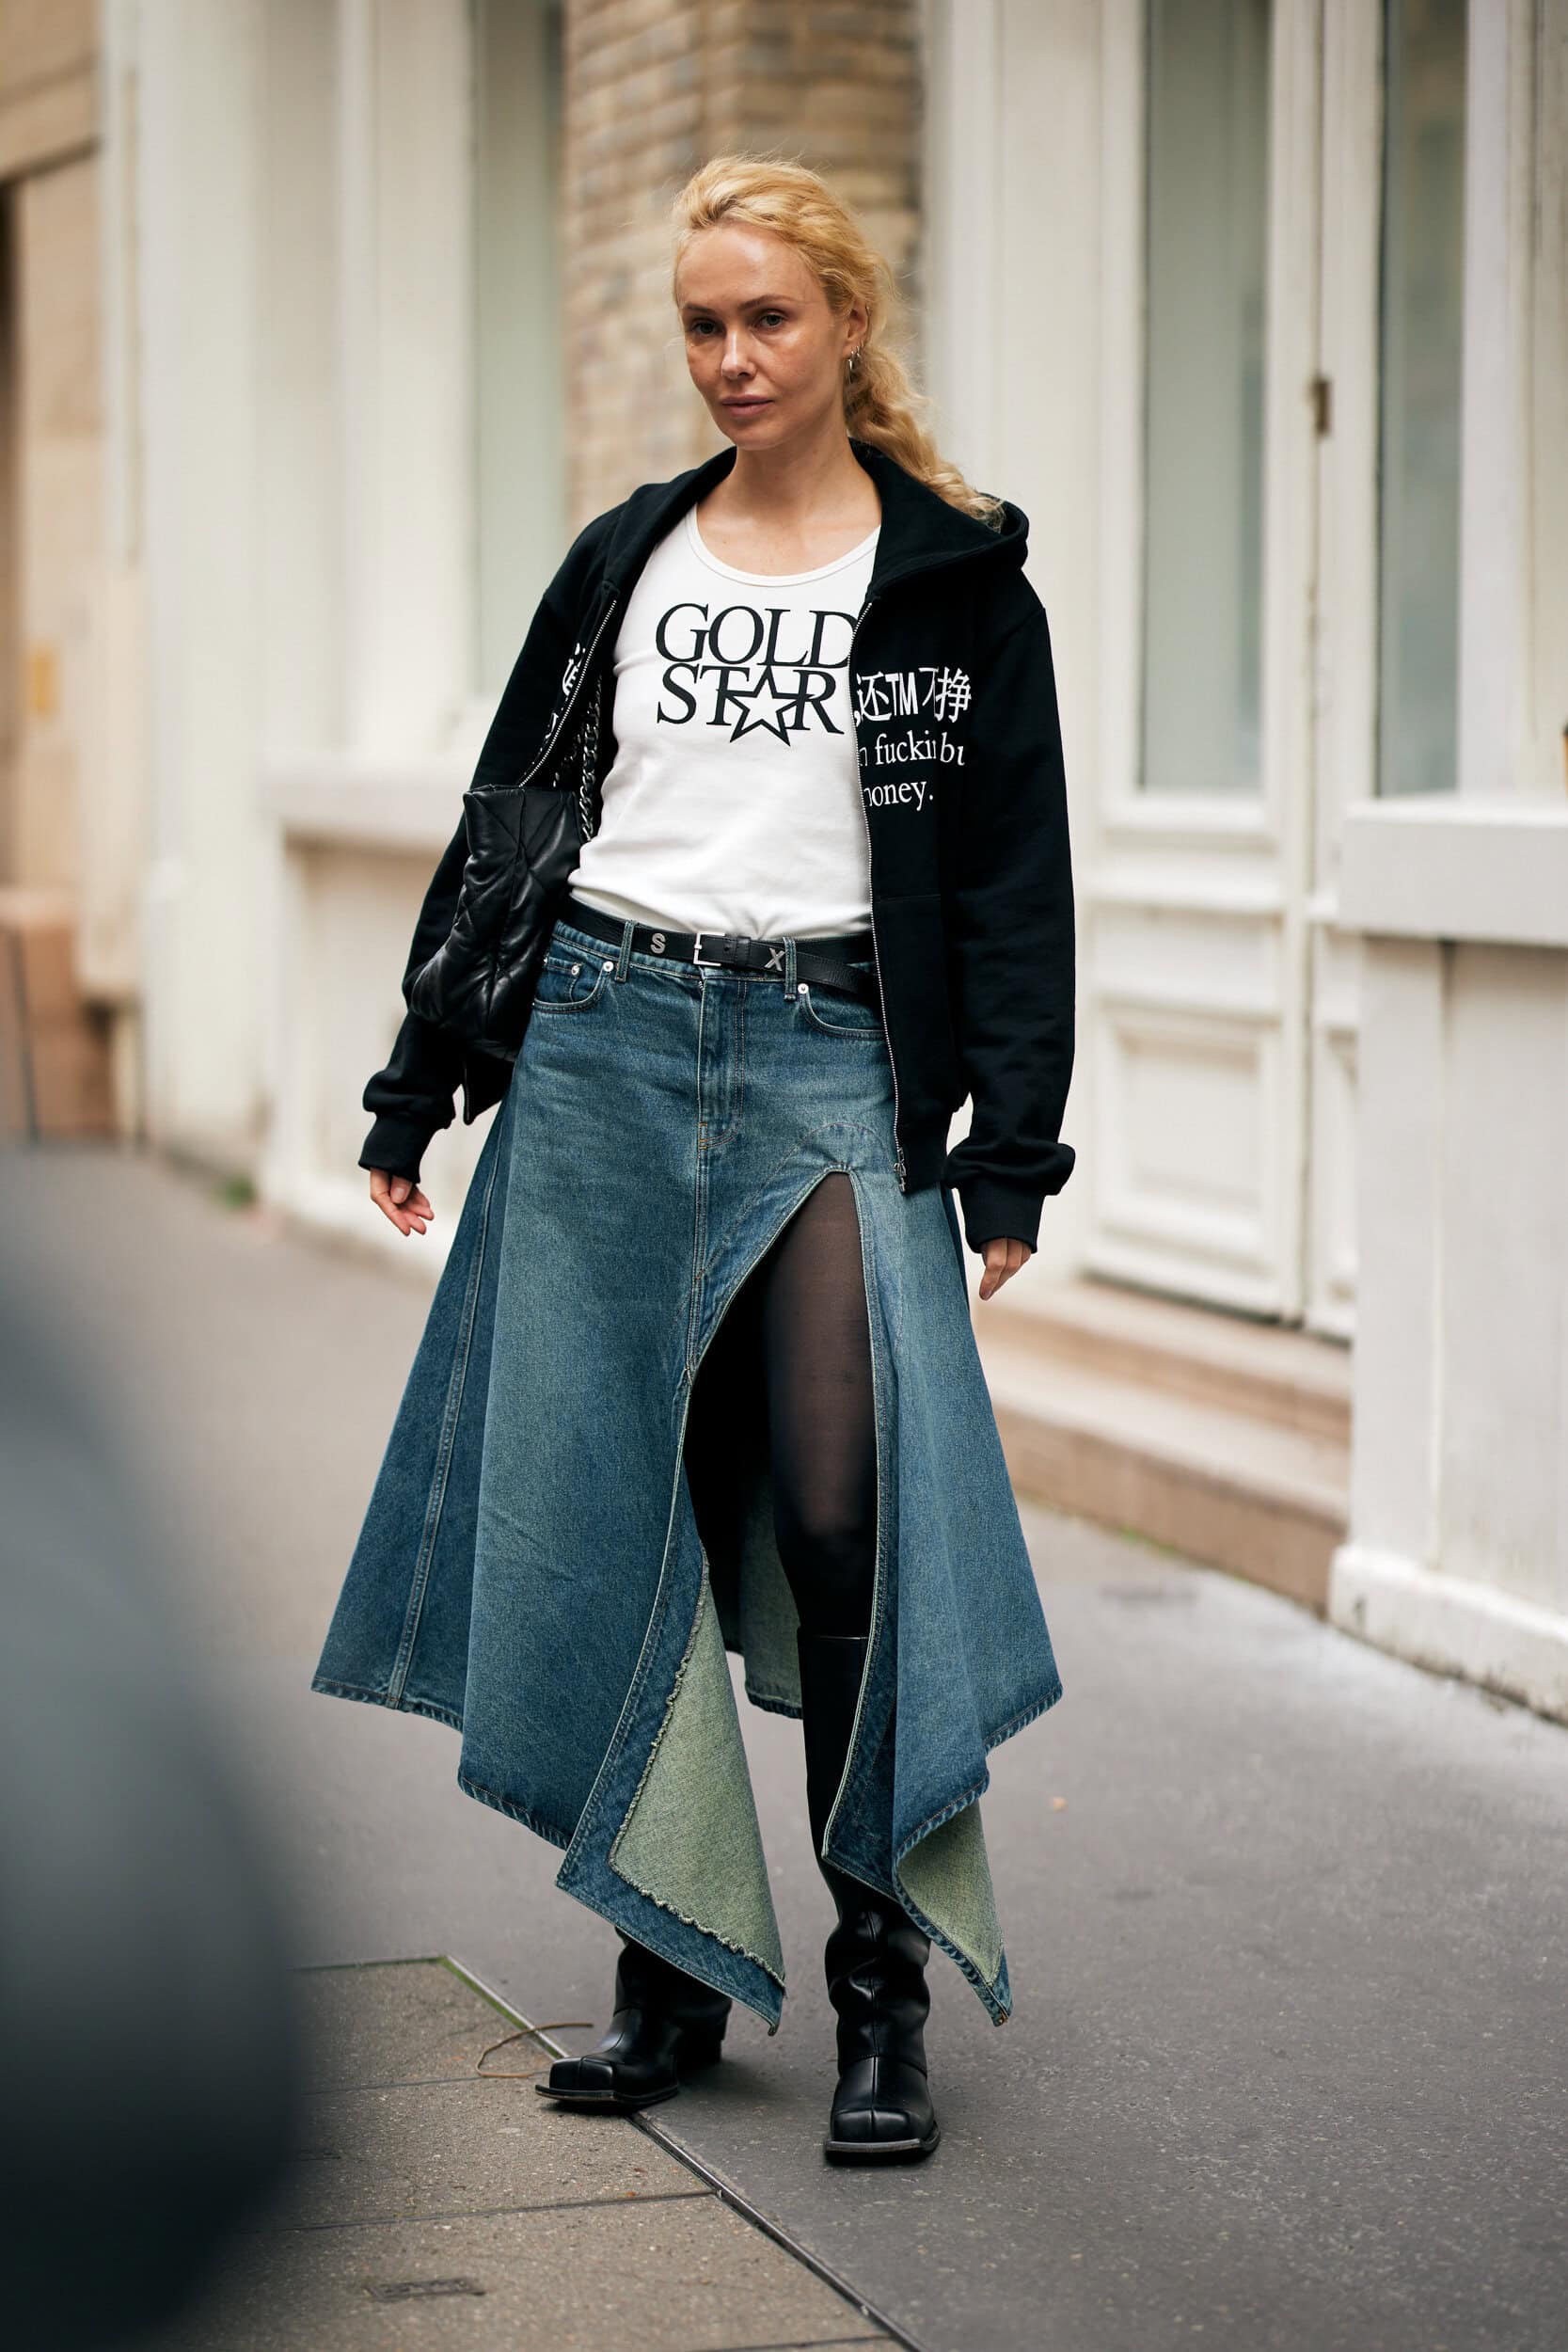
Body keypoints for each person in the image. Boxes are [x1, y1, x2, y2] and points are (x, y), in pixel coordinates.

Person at [312, 152, 1075, 2167]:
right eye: (703, 325)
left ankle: (878, 1996)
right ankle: (665, 1966)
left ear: (847, 324)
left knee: (839, 1522)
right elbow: (514, 821)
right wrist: (419, 1079)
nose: (732, 357)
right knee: (621, 1502)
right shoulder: (624, 559)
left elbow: (1013, 879)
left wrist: (1014, 1150)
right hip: (603, 1044)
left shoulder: (955, 582)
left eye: (767, 319)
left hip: (831, 1057)